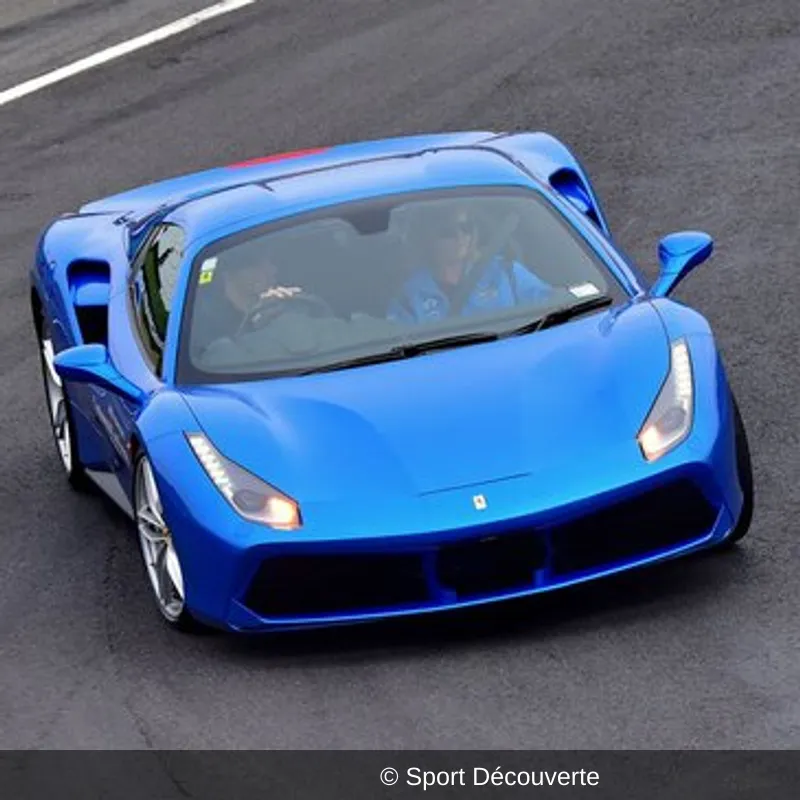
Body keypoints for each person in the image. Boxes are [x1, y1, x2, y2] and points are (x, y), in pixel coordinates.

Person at [386, 206, 554, 323]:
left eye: (465, 227)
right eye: (447, 232)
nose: (460, 237)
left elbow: (551, 307)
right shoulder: (408, 297)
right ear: (427, 239)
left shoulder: (507, 273)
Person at [190, 254, 302, 356]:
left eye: (271, 264)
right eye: (259, 266)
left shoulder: (279, 304)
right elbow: (219, 357)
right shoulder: (204, 322)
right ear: (229, 275)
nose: (273, 270)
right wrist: (253, 323)